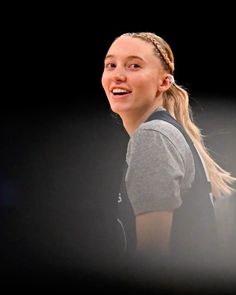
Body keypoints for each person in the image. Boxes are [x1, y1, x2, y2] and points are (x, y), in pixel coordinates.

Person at [101, 32, 236, 268]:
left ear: (164, 82)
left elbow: (152, 261)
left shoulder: (152, 137)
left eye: (134, 65)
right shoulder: (168, 132)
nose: (118, 75)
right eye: (111, 65)